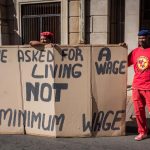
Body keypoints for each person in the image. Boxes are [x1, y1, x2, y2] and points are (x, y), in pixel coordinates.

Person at [128, 29, 150, 141]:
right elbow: (123, 62)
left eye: (143, 38)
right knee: (138, 112)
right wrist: (121, 49)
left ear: (148, 38)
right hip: (137, 86)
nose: (141, 40)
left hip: (149, 87)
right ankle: (143, 132)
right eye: (140, 38)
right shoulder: (135, 52)